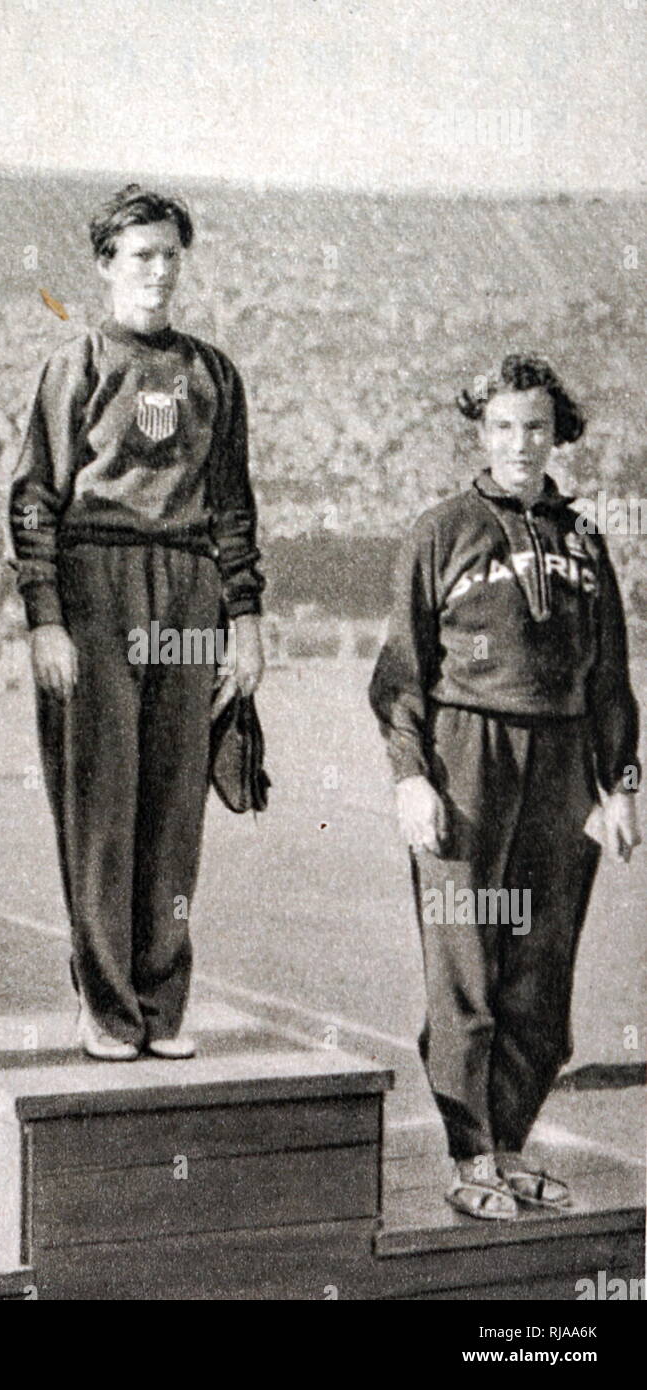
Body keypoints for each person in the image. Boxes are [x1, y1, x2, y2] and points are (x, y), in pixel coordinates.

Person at [369, 354, 641, 1220]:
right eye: (503, 428)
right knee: (469, 967)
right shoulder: (440, 531)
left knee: (540, 971)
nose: (520, 444)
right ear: (481, 434)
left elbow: (611, 682)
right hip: (467, 758)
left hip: (563, 769)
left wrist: (623, 786)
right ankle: (468, 1153)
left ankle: (513, 1144)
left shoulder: (587, 541)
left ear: (558, 434)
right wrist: (412, 777)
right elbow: (399, 675)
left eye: (536, 427)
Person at [8, 184, 265, 1061]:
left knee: (175, 810)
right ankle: (108, 1006)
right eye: (140, 255)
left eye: (169, 255)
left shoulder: (212, 372)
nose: (157, 271)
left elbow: (233, 506)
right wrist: (46, 618)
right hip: (96, 583)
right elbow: (35, 502)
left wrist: (247, 617)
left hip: (189, 585)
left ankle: (162, 1004)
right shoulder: (74, 364)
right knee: (102, 807)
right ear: (107, 265)